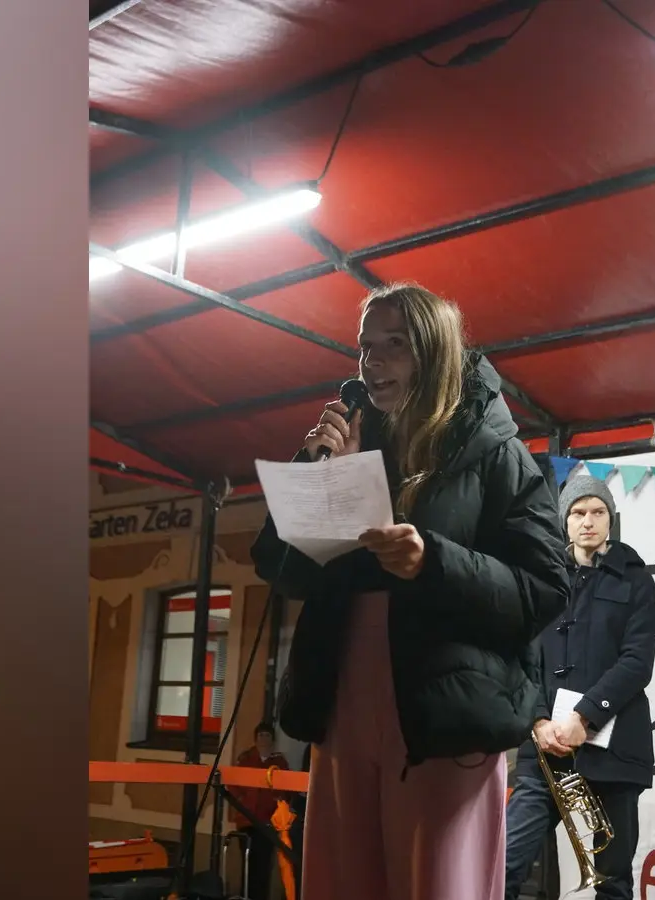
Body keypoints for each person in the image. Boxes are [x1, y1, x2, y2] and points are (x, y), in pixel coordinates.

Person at [250, 282, 569, 900]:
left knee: (436, 885)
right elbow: (284, 571)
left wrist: (434, 561)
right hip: (343, 704)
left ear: (434, 352)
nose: (372, 361)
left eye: (394, 344)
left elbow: (544, 588)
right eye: (365, 346)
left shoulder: (495, 452)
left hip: (442, 716)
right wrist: (318, 469)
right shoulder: (351, 443)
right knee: (344, 884)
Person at [503, 470, 655, 900]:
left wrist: (584, 717)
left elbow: (637, 662)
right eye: (577, 513)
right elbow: (524, 659)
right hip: (546, 750)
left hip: (612, 752)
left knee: (612, 882)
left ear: (610, 518)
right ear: (565, 520)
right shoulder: (543, 577)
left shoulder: (635, 578)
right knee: (503, 868)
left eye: (597, 512)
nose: (588, 521)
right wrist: (538, 721)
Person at [227, 722, 290, 900]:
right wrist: (241, 800)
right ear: (255, 739)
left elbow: (286, 789)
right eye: (261, 735)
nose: (263, 739)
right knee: (247, 864)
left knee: (263, 865)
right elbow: (232, 782)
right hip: (246, 821)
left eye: (267, 735)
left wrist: (278, 802)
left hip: (267, 822)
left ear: (273, 740)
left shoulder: (279, 762)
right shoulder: (246, 759)